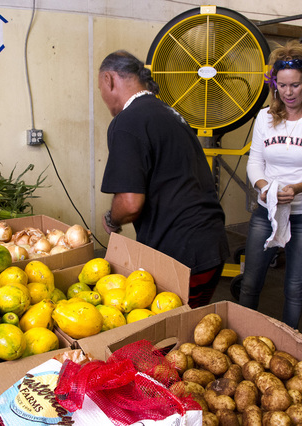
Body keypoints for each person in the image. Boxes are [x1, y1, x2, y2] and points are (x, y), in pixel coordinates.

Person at [97, 50, 230, 308]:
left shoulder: (127, 122)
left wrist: (111, 220)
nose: (102, 96)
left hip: (180, 254)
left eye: (100, 87)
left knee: (169, 338)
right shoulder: (169, 114)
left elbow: (130, 202)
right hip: (211, 244)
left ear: (109, 79)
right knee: (188, 329)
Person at [238, 40, 302, 329]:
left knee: (294, 288)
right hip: (265, 211)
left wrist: (298, 187)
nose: (288, 92)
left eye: (295, 85)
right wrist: (265, 188)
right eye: (282, 85)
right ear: (274, 85)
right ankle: (243, 339)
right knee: (250, 282)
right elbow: (254, 163)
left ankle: (288, 345)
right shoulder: (265, 118)